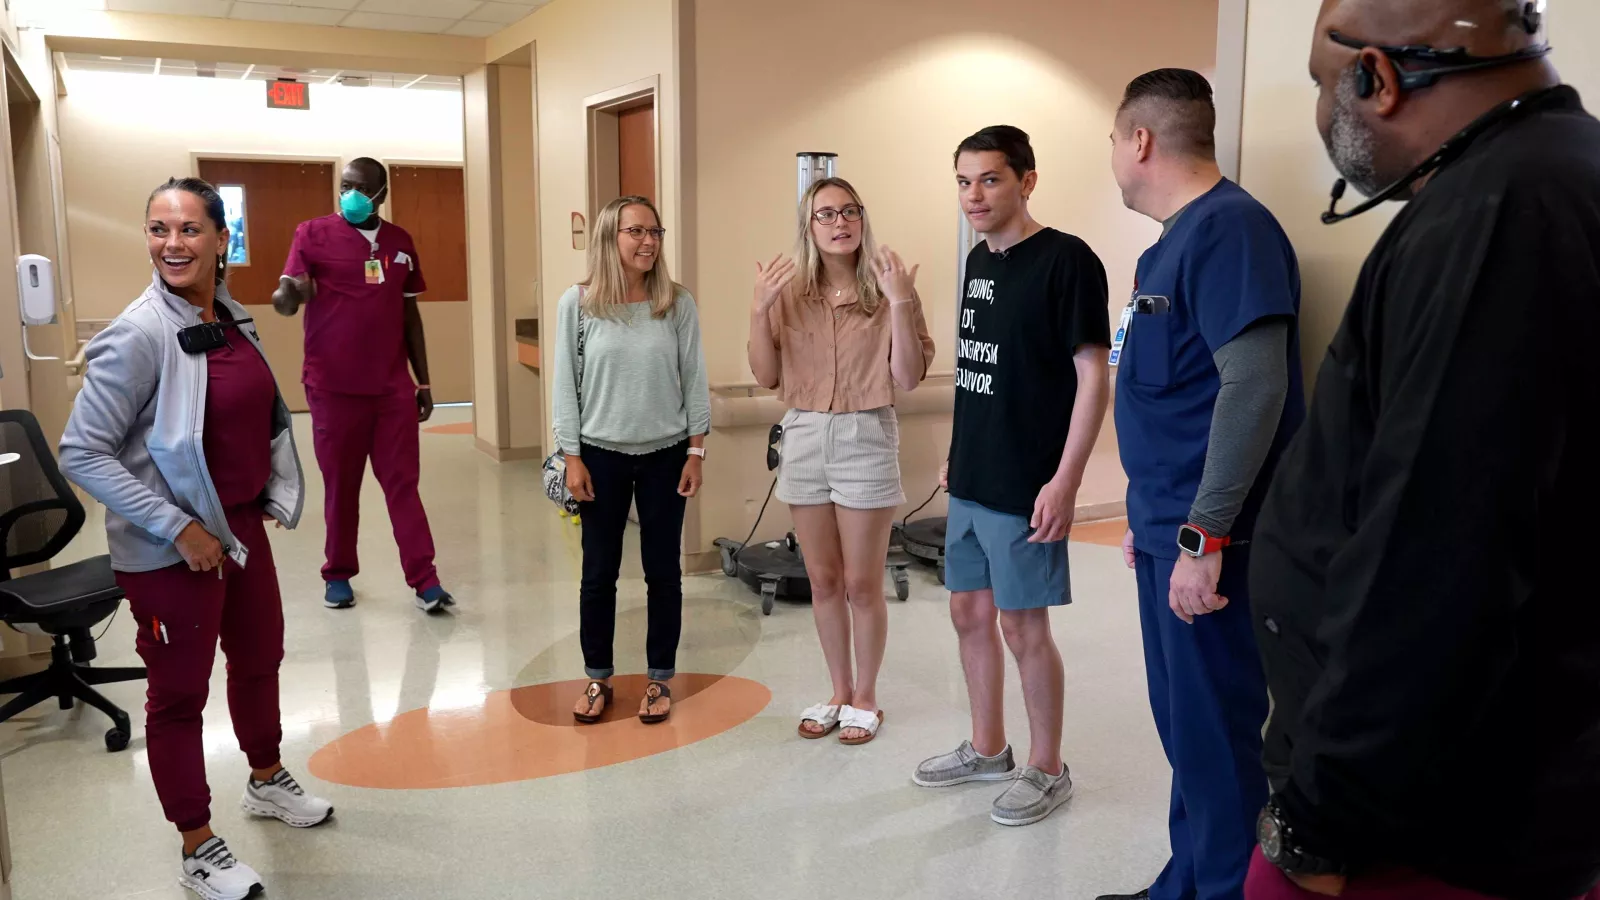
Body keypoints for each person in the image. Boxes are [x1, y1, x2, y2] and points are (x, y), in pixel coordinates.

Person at [1246, 1, 1600, 898]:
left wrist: (1319, 824)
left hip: (1425, 831)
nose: (1323, 117)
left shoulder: (1502, 213)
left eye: (1325, 89)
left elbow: (1438, 556)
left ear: (1378, 76)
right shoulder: (1550, 174)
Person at [59, 178, 333, 900]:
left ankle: (267, 777)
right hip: (168, 550)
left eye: (187, 230)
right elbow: (81, 452)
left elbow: (256, 412)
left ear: (221, 240)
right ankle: (196, 845)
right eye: (157, 229)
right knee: (179, 697)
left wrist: (264, 490)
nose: (171, 243)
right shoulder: (138, 333)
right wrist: (179, 525)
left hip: (239, 531)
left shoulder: (232, 316)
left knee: (259, 659)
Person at [1095, 69, 1306, 900]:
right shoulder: (1170, 244)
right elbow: (1172, 391)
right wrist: (1149, 519)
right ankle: (1185, 882)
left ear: (1140, 140)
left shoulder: (1232, 231)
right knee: (1186, 731)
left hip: (1213, 544)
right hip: (1165, 528)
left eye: (1114, 140)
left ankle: (1224, 891)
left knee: (1217, 738)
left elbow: (1256, 386)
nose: (1113, 157)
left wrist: (1201, 536)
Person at [913, 125, 1111, 827]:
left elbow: (1093, 377)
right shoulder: (979, 261)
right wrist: (959, 451)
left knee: (1022, 627)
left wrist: (1066, 480)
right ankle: (988, 747)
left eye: (990, 179)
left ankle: (1047, 766)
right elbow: (980, 369)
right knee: (968, 613)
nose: (974, 195)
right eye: (963, 181)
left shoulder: (1068, 261)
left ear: (1027, 180)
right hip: (973, 475)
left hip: (1027, 483)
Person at [747, 177, 936, 746]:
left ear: (862, 219)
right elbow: (765, 375)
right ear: (809, 228)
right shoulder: (788, 294)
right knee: (824, 579)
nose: (839, 222)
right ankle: (837, 690)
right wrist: (758, 310)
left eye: (849, 211)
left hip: (865, 434)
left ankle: (867, 697)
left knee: (862, 582)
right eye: (825, 214)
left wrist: (901, 301)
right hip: (804, 433)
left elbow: (907, 375)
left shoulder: (888, 289)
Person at [271, 157, 454, 613]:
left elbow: (411, 314)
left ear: (380, 194)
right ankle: (338, 574)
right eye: (344, 185)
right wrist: (291, 295)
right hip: (333, 389)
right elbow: (284, 299)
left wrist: (423, 381)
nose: (349, 194)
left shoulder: (400, 244)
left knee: (402, 486)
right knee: (342, 487)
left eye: (359, 187)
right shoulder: (310, 234)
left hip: (391, 389)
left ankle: (425, 580)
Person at [556, 195, 710, 726]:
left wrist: (696, 450)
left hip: (666, 457)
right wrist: (571, 457)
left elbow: (694, 380)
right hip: (600, 457)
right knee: (598, 574)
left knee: (663, 573)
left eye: (655, 231)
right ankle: (598, 676)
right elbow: (564, 389)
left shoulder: (676, 303)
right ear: (609, 238)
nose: (648, 241)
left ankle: (659, 680)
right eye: (635, 231)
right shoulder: (577, 305)